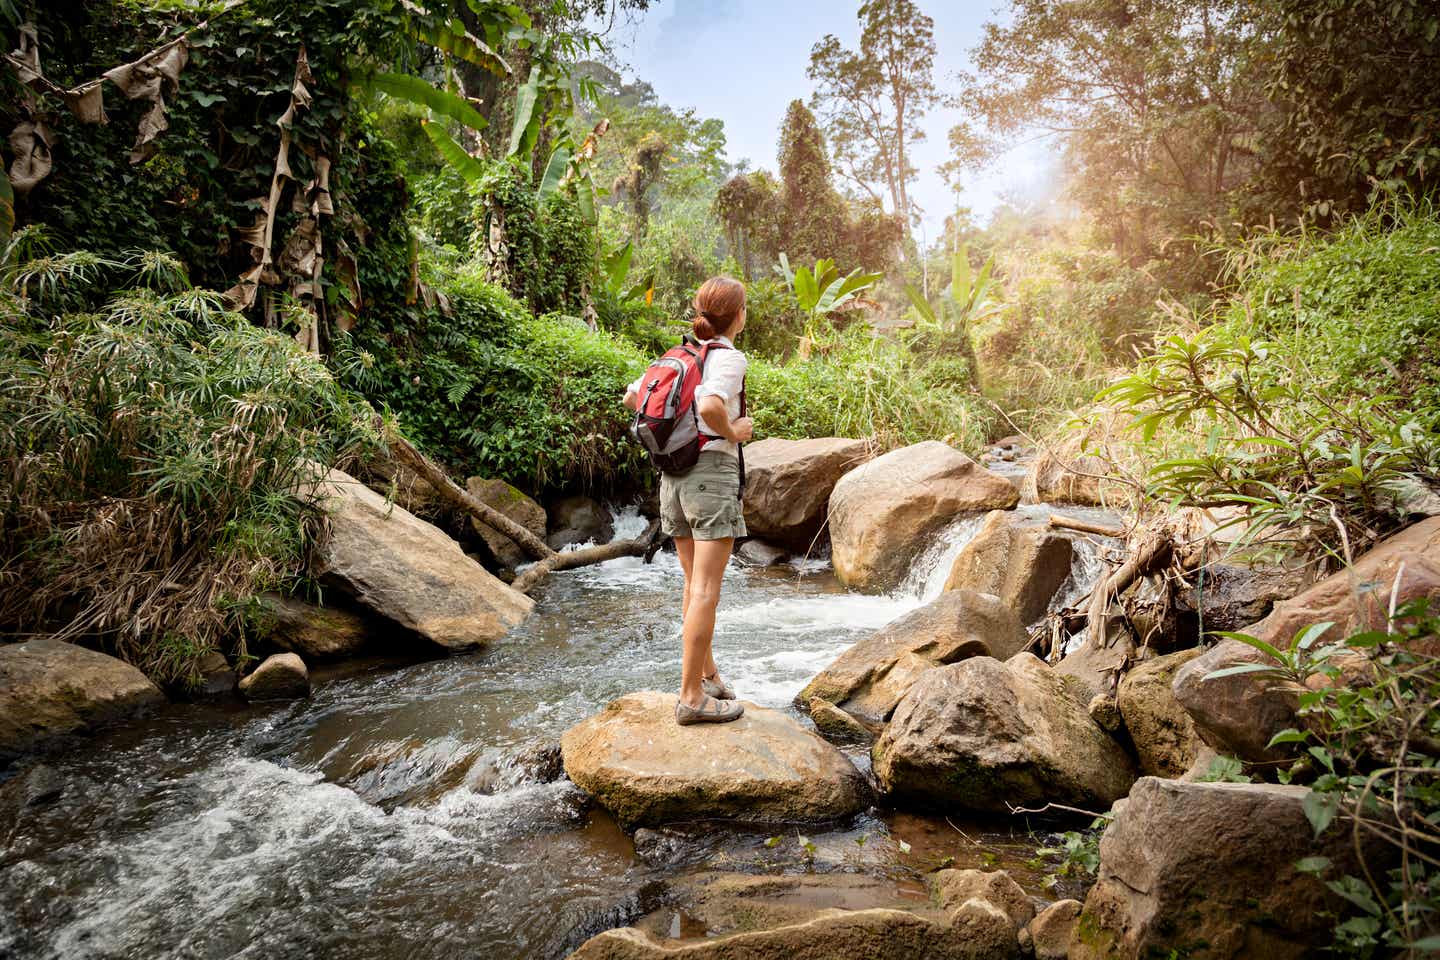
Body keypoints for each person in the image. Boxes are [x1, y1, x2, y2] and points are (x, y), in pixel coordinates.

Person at [624, 276, 754, 726]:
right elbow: (716, 405)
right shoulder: (728, 358)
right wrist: (734, 430)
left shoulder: (676, 355)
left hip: (673, 480)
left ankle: (708, 676)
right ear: (738, 316)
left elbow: (631, 397)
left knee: (691, 586)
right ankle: (690, 697)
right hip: (709, 476)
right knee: (705, 591)